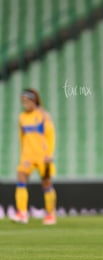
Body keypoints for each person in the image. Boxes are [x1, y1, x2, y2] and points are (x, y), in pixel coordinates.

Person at [10, 88, 57, 225]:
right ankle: (22, 213)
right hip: (28, 156)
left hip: (43, 156)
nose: (24, 104)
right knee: (21, 177)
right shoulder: (22, 117)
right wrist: (23, 153)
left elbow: (50, 136)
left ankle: (50, 214)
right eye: (22, 101)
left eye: (26, 101)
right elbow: (22, 137)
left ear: (33, 101)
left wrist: (49, 154)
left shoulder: (43, 115)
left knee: (47, 183)